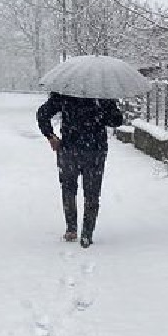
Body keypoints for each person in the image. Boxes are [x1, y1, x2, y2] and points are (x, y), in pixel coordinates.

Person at [36, 92, 125, 248]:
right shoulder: (101, 93)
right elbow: (117, 120)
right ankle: (87, 234)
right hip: (95, 150)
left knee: (69, 189)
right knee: (92, 192)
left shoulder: (65, 92)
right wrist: (103, 111)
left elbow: (43, 114)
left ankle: (72, 229)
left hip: (70, 148)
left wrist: (51, 136)